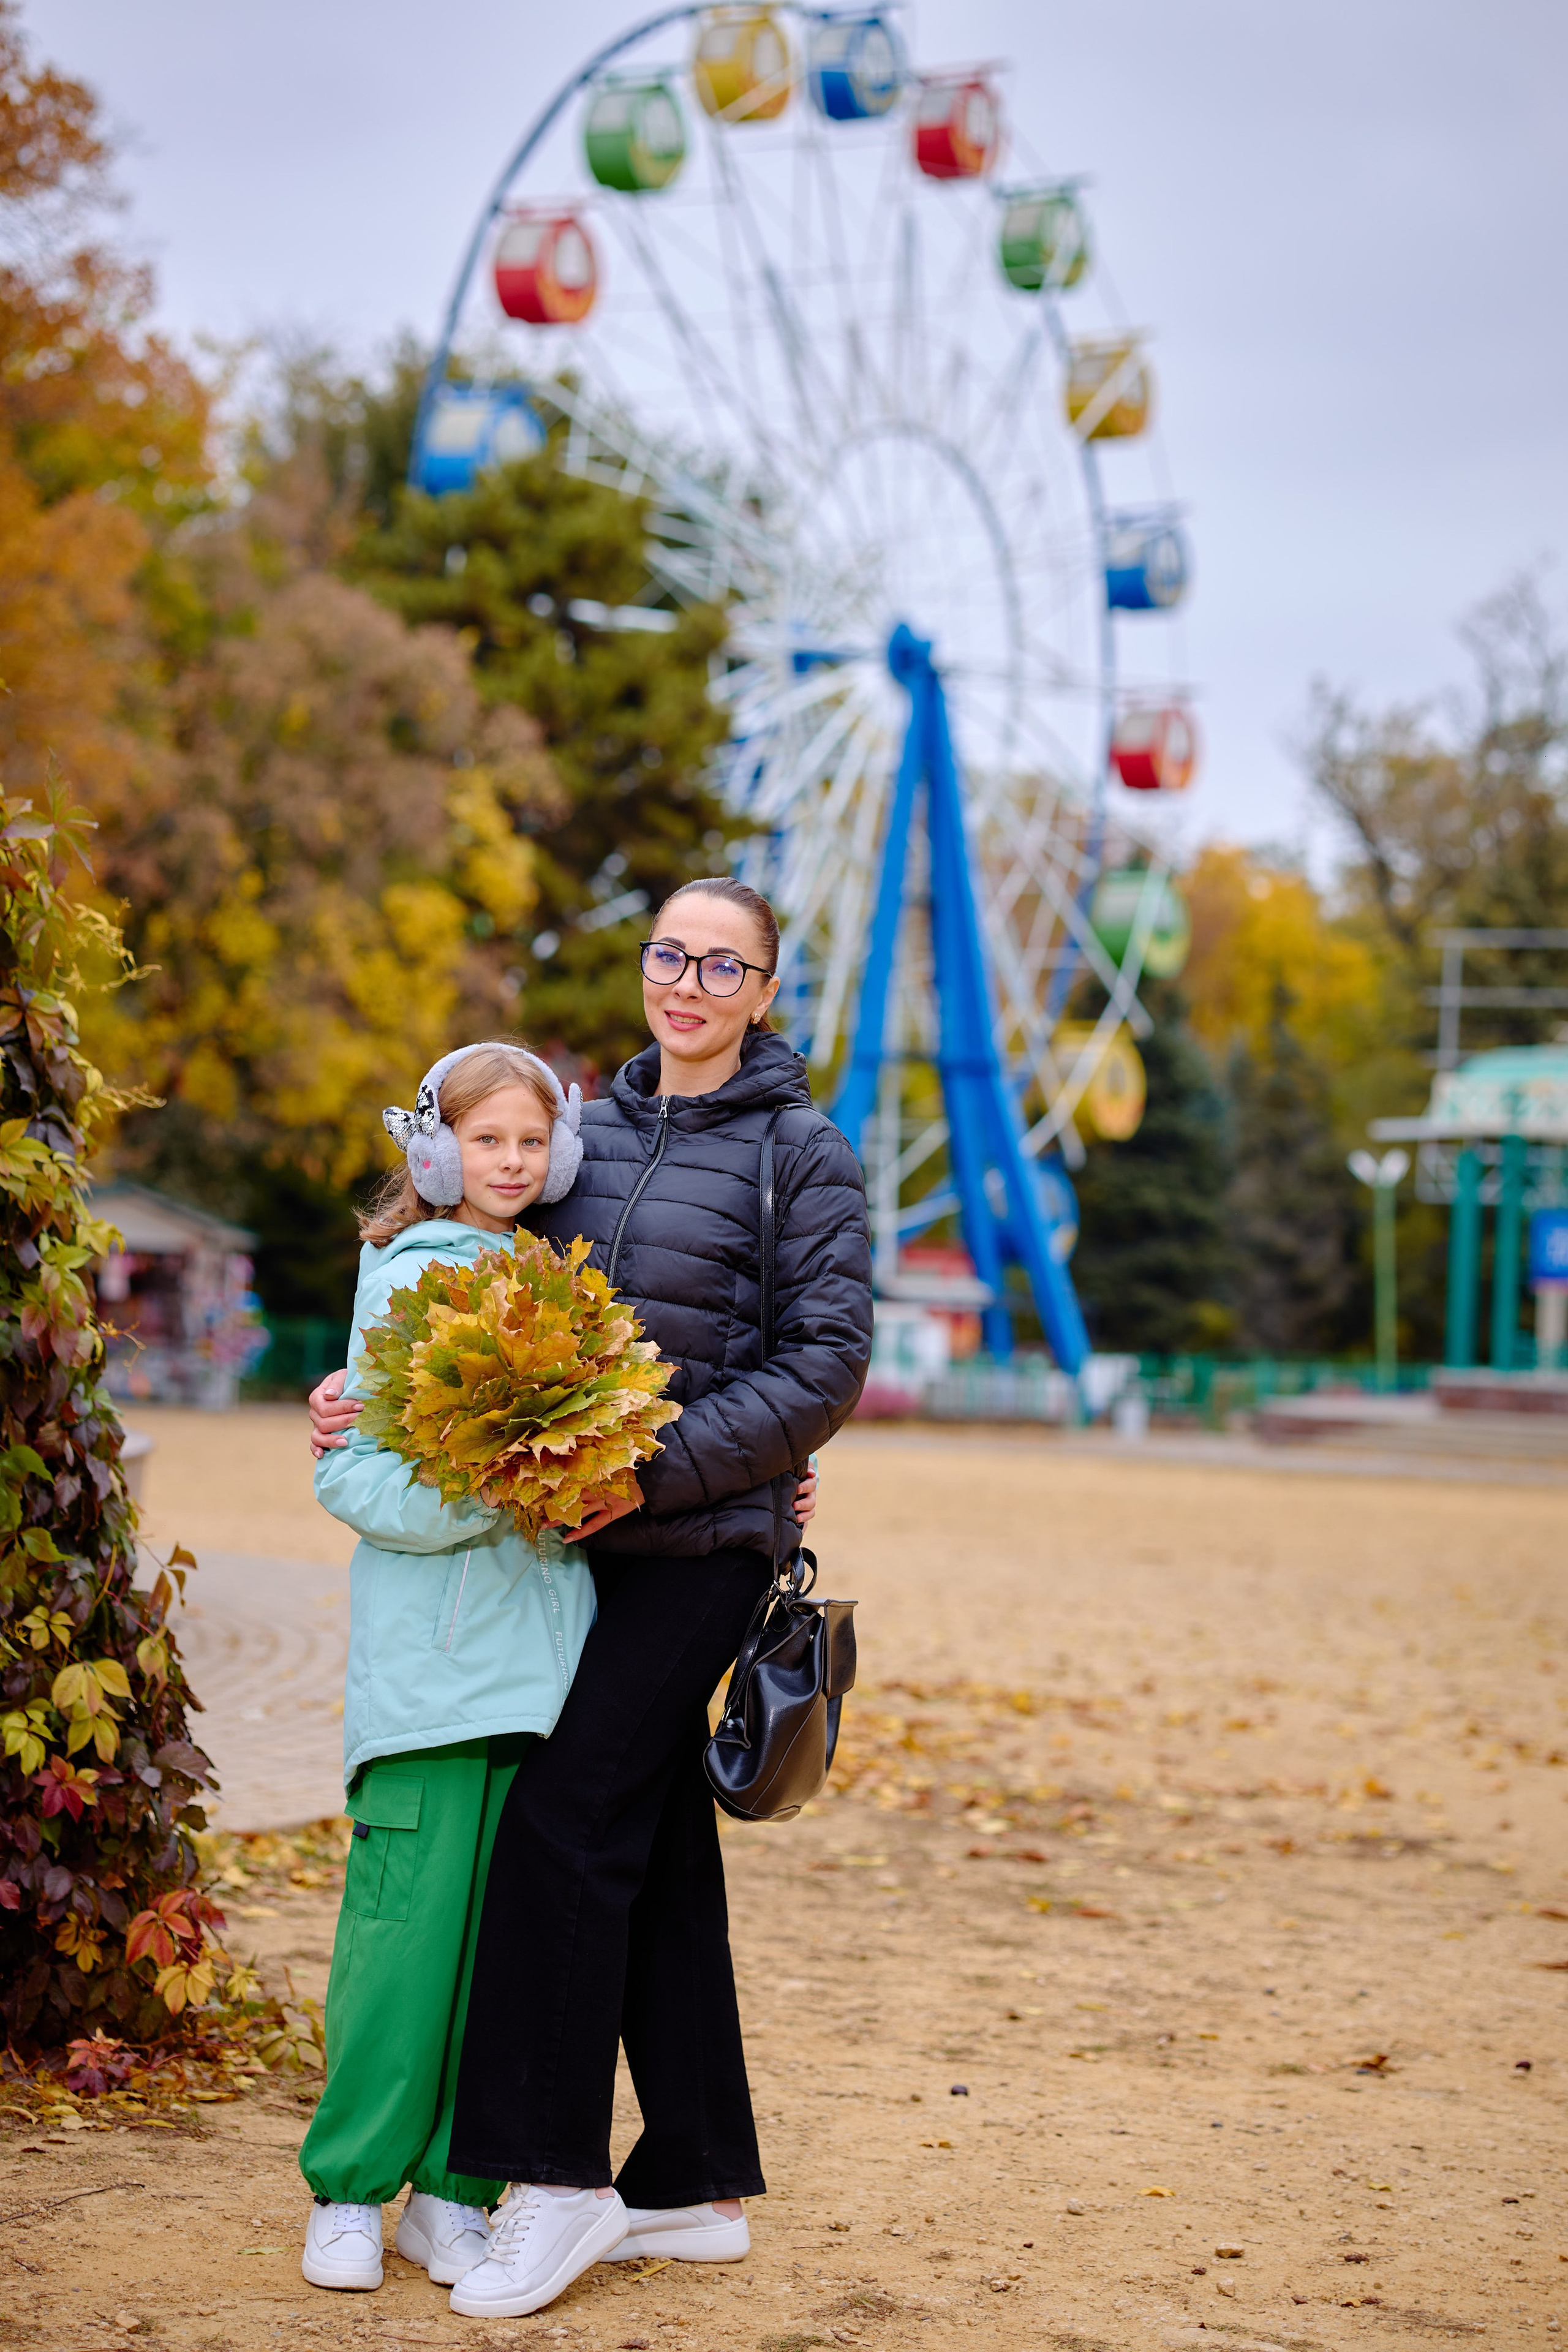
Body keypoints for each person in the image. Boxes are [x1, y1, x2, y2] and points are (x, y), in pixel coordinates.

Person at [309, 878, 873, 2321]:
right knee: (658, 1846)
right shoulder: (584, 1136)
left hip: (695, 1547)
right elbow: (474, 1289)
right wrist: (366, 1399)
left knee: (561, 1829)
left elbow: (823, 1366)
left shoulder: (802, 1154)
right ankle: (691, 2183)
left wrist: (672, 1473)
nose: (688, 982)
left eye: (723, 964)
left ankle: (547, 2182)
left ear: (761, 990)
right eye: (669, 954)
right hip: (575, 1559)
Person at [298, 1042, 600, 2296]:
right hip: (431, 1675)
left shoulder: (564, 1282)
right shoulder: (405, 1277)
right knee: (401, 1936)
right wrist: (495, 1489)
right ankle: (353, 2192)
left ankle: (455, 2193)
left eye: (532, 1143)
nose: (513, 1164)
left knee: (499, 1950)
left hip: (543, 1674)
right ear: (436, 1151)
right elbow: (353, 1471)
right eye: (488, 1142)